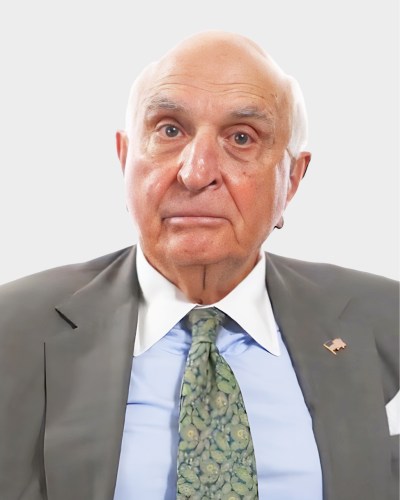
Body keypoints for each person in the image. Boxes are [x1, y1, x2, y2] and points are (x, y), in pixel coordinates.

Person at [0, 31, 398, 500]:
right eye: (170, 130)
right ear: (126, 158)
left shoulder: (382, 317)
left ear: (291, 179)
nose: (196, 172)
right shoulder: (14, 328)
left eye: (242, 138)